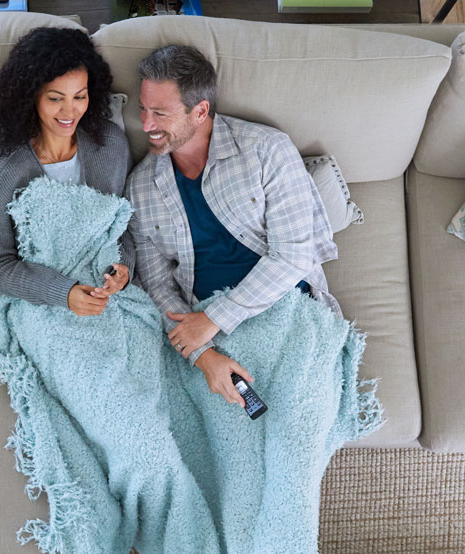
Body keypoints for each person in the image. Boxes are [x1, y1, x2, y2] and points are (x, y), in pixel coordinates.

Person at [125, 44, 341, 407]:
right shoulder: (140, 187)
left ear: (200, 111)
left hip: (283, 307)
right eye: (144, 109)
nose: (146, 124)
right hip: (204, 332)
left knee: (297, 414)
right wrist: (204, 355)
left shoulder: (266, 150)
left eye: (160, 113)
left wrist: (215, 318)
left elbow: (294, 255)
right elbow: (157, 285)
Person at [0, 27, 134, 316]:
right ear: (31, 97)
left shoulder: (111, 145)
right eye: (55, 98)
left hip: (105, 299)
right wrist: (64, 293)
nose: (70, 112)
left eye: (79, 97)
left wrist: (123, 273)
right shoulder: (4, 168)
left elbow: (122, 230)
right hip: (42, 302)